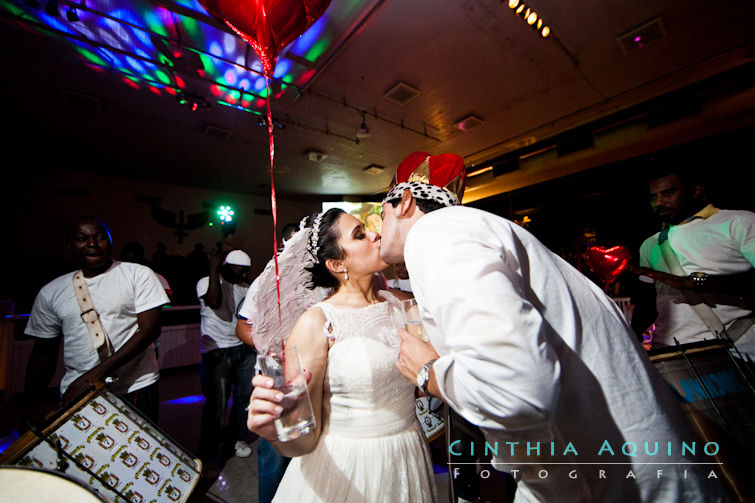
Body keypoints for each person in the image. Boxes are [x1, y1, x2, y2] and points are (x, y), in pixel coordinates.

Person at [379, 152, 730, 502]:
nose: (377, 233)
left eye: (380, 211)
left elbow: (515, 388)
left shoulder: (436, 232)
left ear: (405, 201)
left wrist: (429, 372)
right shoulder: (477, 229)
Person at [247, 209, 438, 502]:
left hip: (408, 451)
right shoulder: (317, 323)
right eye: (360, 234)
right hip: (349, 466)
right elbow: (303, 438)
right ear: (338, 264)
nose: (376, 234)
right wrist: (277, 430)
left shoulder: (402, 305)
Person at [23, 217, 169, 425]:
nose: (92, 244)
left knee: (138, 454)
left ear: (111, 242)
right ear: (69, 245)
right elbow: (44, 353)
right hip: (78, 391)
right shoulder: (51, 292)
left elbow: (150, 329)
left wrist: (96, 374)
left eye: (100, 237)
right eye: (82, 238)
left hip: (135, 386)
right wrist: (30, 404)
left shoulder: (137, 274)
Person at [631, 166, 755, 359]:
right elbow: (647, 305)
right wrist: (632, 334)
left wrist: (696, 282)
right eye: (653, 197)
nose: (659, 202)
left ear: (696, 191)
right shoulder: (650, 244)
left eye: (668, 193)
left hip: (739, 349)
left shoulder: (738, 222)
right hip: (669, 352)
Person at [235, 222, 300, 503]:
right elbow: (243, 327)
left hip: (318, 376)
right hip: (278, 376)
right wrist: (273, 347)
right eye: (292, 242)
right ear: (283, 245)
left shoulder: (327, 275)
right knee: (274, 454)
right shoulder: (268, 277)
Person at [196, 248, 254, 474]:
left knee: (244, 399)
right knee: (217, 406)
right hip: (217, 352)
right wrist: (213, 269)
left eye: (246, 272)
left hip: (243, 350)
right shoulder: (206, 282)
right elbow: (214, 301)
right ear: (226, 267)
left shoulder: (245, 288)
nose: (243, 276)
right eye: (239, 271)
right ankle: (207, 454)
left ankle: (235, 440)